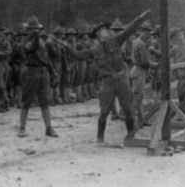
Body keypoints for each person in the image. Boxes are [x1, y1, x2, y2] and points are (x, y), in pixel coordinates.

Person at [63, 10, 151, 146]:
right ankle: (100, 139)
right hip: (107, 81)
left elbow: (129, 30)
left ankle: (130, 137)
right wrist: (65, 46)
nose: (106, 32)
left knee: (128, 109)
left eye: (106, 30)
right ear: (97, 35)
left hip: (121, 79)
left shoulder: (116, 40)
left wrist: (140, 18)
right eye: (102, 31)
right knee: (104, 111)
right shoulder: (95, 50)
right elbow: (79, 55)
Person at [17, 16, 58, 138]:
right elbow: (30, 48)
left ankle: (49, 128)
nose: (34, 30)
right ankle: (21, 128)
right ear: (27, 29)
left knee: (45, 101)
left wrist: (53, 71)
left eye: (36, 28)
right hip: (31, 72)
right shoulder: (24, 42)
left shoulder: (41, 41)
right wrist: (35, 37)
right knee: (26, 102)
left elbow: (46, 58)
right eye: (31, 29)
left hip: (43, 72)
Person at [131, 20, 158, 125]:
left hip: (136, 69)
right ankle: (134, 120)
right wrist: (154, 65)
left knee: (138, 96)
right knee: (137, 97)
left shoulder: (136, 41)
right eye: (148, 33)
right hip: (139, 70)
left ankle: (140, 119)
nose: (149, 35)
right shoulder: (141, 44)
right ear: (144, 32)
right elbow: (144, 62)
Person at [46, 27, 65, 105]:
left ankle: (56, 98)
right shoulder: (50, 42)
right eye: (60, 34)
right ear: (56, 34)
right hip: (52, 62)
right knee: (52, 81)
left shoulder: (57, 41)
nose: (61, 36)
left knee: (57, 81)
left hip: (58, 62)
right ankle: (50, 100)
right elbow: (55, 52)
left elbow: (61, 52)